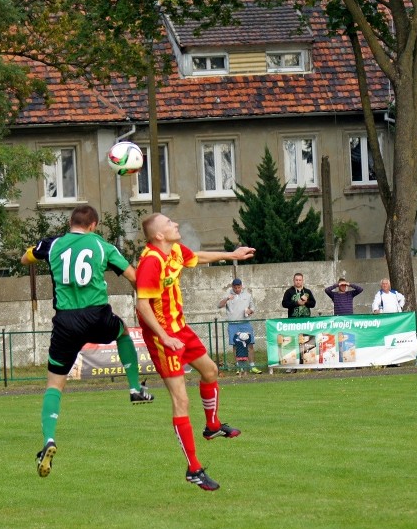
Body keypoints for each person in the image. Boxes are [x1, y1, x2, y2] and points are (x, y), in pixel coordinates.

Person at [21, 205, 153, 479]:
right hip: (97, 315)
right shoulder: (102, 246)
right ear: (93, 225)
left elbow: (26, 258)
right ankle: (133, 387)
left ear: (71, 223)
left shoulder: (54, 243)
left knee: (54, 385)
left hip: (66, 322)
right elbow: (133, 276)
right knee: (122, 333)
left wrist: (36, 254)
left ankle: (48, 440)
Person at [136, 213, 254, 491]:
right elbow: (142, 306)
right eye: (169, 223)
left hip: (181, 329)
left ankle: (212, 426)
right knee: (181, 401)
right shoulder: (151, 261)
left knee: (211, 370)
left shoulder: (174, 250)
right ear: (159, 236)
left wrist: (231, 254)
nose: (175, 224)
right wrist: (164, 337)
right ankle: (194, 469)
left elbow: (197, 257)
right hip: (161, 337)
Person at [218, 278, 260, 375]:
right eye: (235, 287)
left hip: (245, 323)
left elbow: (253, 307)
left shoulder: (248, 295)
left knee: (250, 344)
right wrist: (227, 298)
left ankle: (252, 366)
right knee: (236, 345)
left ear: (241, 286)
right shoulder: (228, 294)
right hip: (233, 324)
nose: (237, 289)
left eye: (239, 287)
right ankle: (239, 367)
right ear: (232, 287)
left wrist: (250, 311)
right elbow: (219, 305)